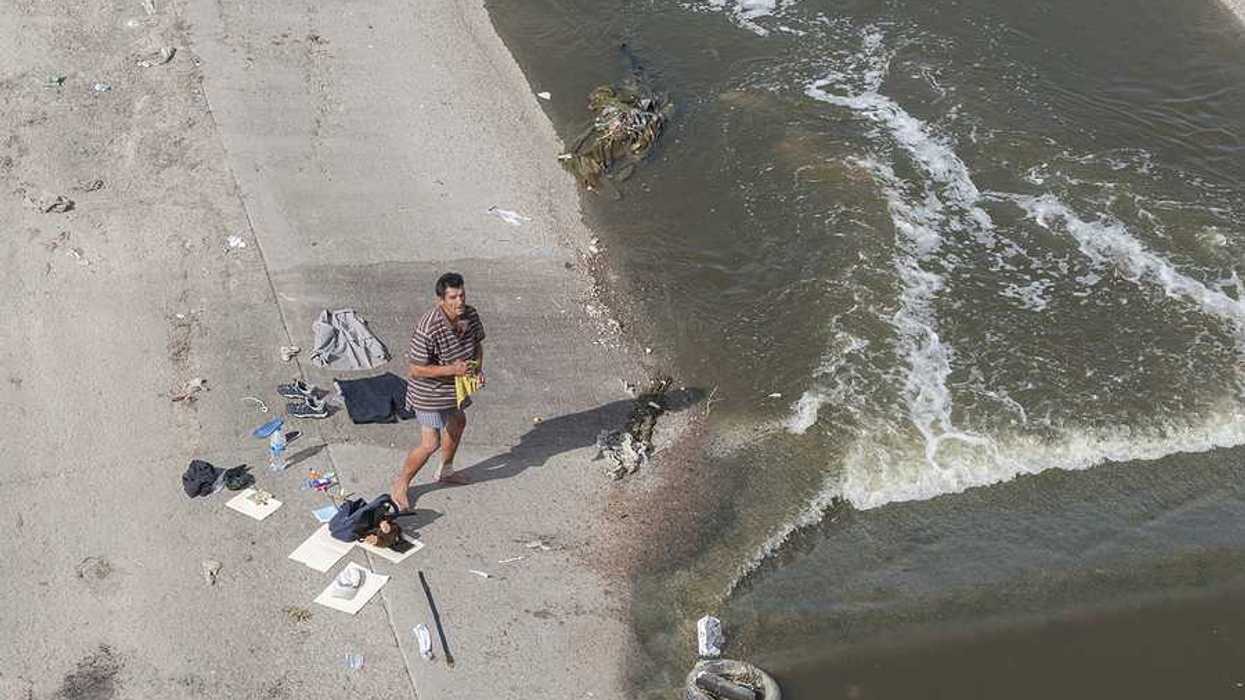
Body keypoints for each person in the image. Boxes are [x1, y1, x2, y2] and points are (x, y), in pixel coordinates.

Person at [391, 272, 486, 510]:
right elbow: (415, 370)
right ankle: (401, 483)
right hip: (429, 392)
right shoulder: (428, 328)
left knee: (457, 423)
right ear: (440, 300)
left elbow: (478, 346)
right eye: (453, 297)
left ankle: (446, 470)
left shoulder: (471, 315)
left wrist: (477, 370)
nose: (459, 302)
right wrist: (452, 369)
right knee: (429, 444)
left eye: (462, 295)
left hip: (456, 387)